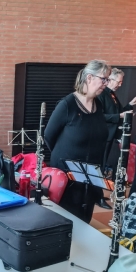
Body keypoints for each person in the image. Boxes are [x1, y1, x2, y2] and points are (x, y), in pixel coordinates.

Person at [44, 59, 111, 223]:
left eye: (107, 79)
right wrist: (64, 156)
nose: (106, 84)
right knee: (65, 221)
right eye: (104, 79)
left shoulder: (99, 105)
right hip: (68, 175)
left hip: (91, 175)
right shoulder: (67, 105)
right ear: (89, 78)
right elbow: (48, 136)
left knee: (85, 218)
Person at [97, 67, 136, 208]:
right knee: (99, 166)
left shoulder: (112, 95)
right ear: (110, 79)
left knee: (103, 165)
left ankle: (99, 195)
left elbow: (119, 112)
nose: (120, 84)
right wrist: (119, 116)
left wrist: (130, 104)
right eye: (119, 81)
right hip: (103, 135)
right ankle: (97, 197)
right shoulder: (102, 94)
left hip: (111, 135)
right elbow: (100, 116)